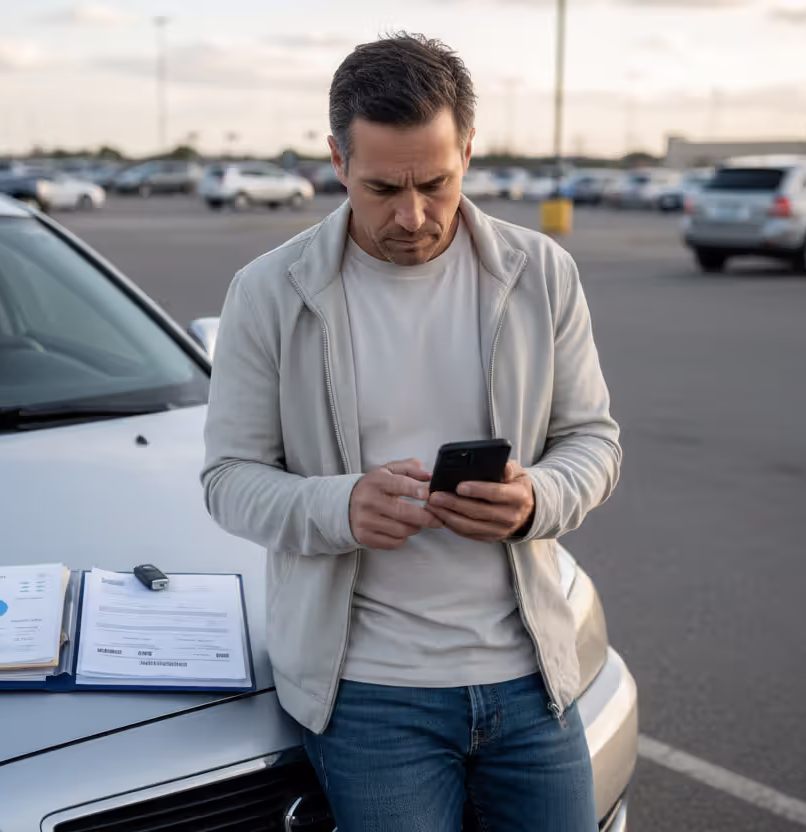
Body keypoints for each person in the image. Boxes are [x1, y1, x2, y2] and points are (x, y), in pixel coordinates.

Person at [201, 32, 621, 832]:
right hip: (369, 694)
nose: (414, 215)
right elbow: (228, 480)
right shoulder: (267, 292)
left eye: (436, 181)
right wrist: (341, 506)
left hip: (532, 680)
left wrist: (536, 498)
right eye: (381, 188)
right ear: (335, 160)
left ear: (469, 147)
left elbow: (594, 443)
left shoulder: (541, 274)